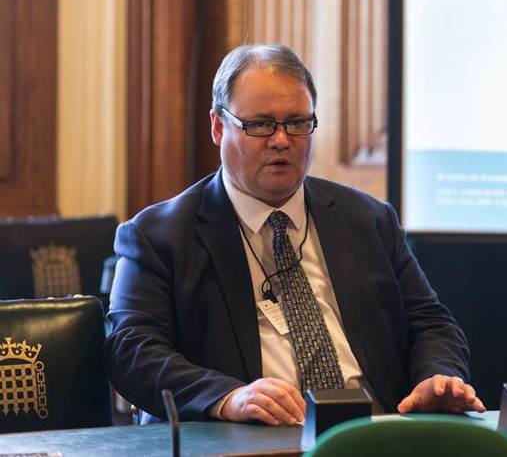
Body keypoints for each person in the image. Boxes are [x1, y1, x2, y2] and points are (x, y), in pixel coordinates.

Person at [104, 44, 485, 425]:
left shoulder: (368, 219)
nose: (281, 140)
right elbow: (132, 349)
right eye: (260, 124)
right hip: (248, 437)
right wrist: (228, 397)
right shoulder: (159, 236)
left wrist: (436, 377)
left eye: (298, 123)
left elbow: (431, 323)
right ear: (218, 127)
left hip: (375, 430)